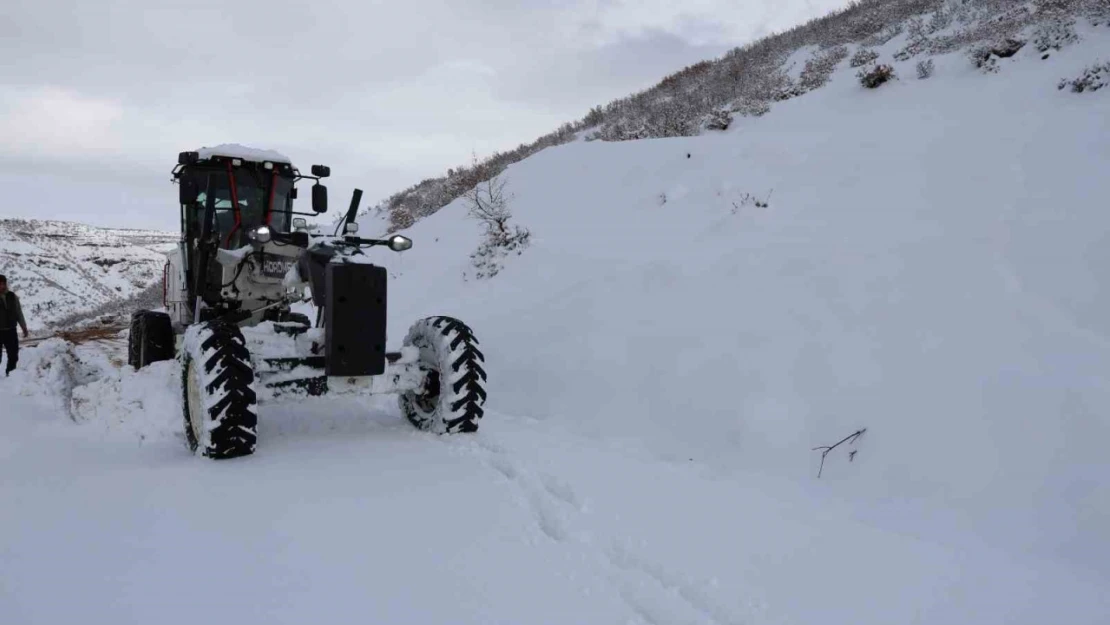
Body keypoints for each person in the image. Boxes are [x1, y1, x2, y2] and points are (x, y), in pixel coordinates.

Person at [0, 275, 29, 376]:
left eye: (4, 284)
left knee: (13, 355)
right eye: (0, 284)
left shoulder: (12, 296)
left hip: (11, 330)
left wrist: (24, 327)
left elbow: (18, 312)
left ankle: (10, 375)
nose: (2, 286)